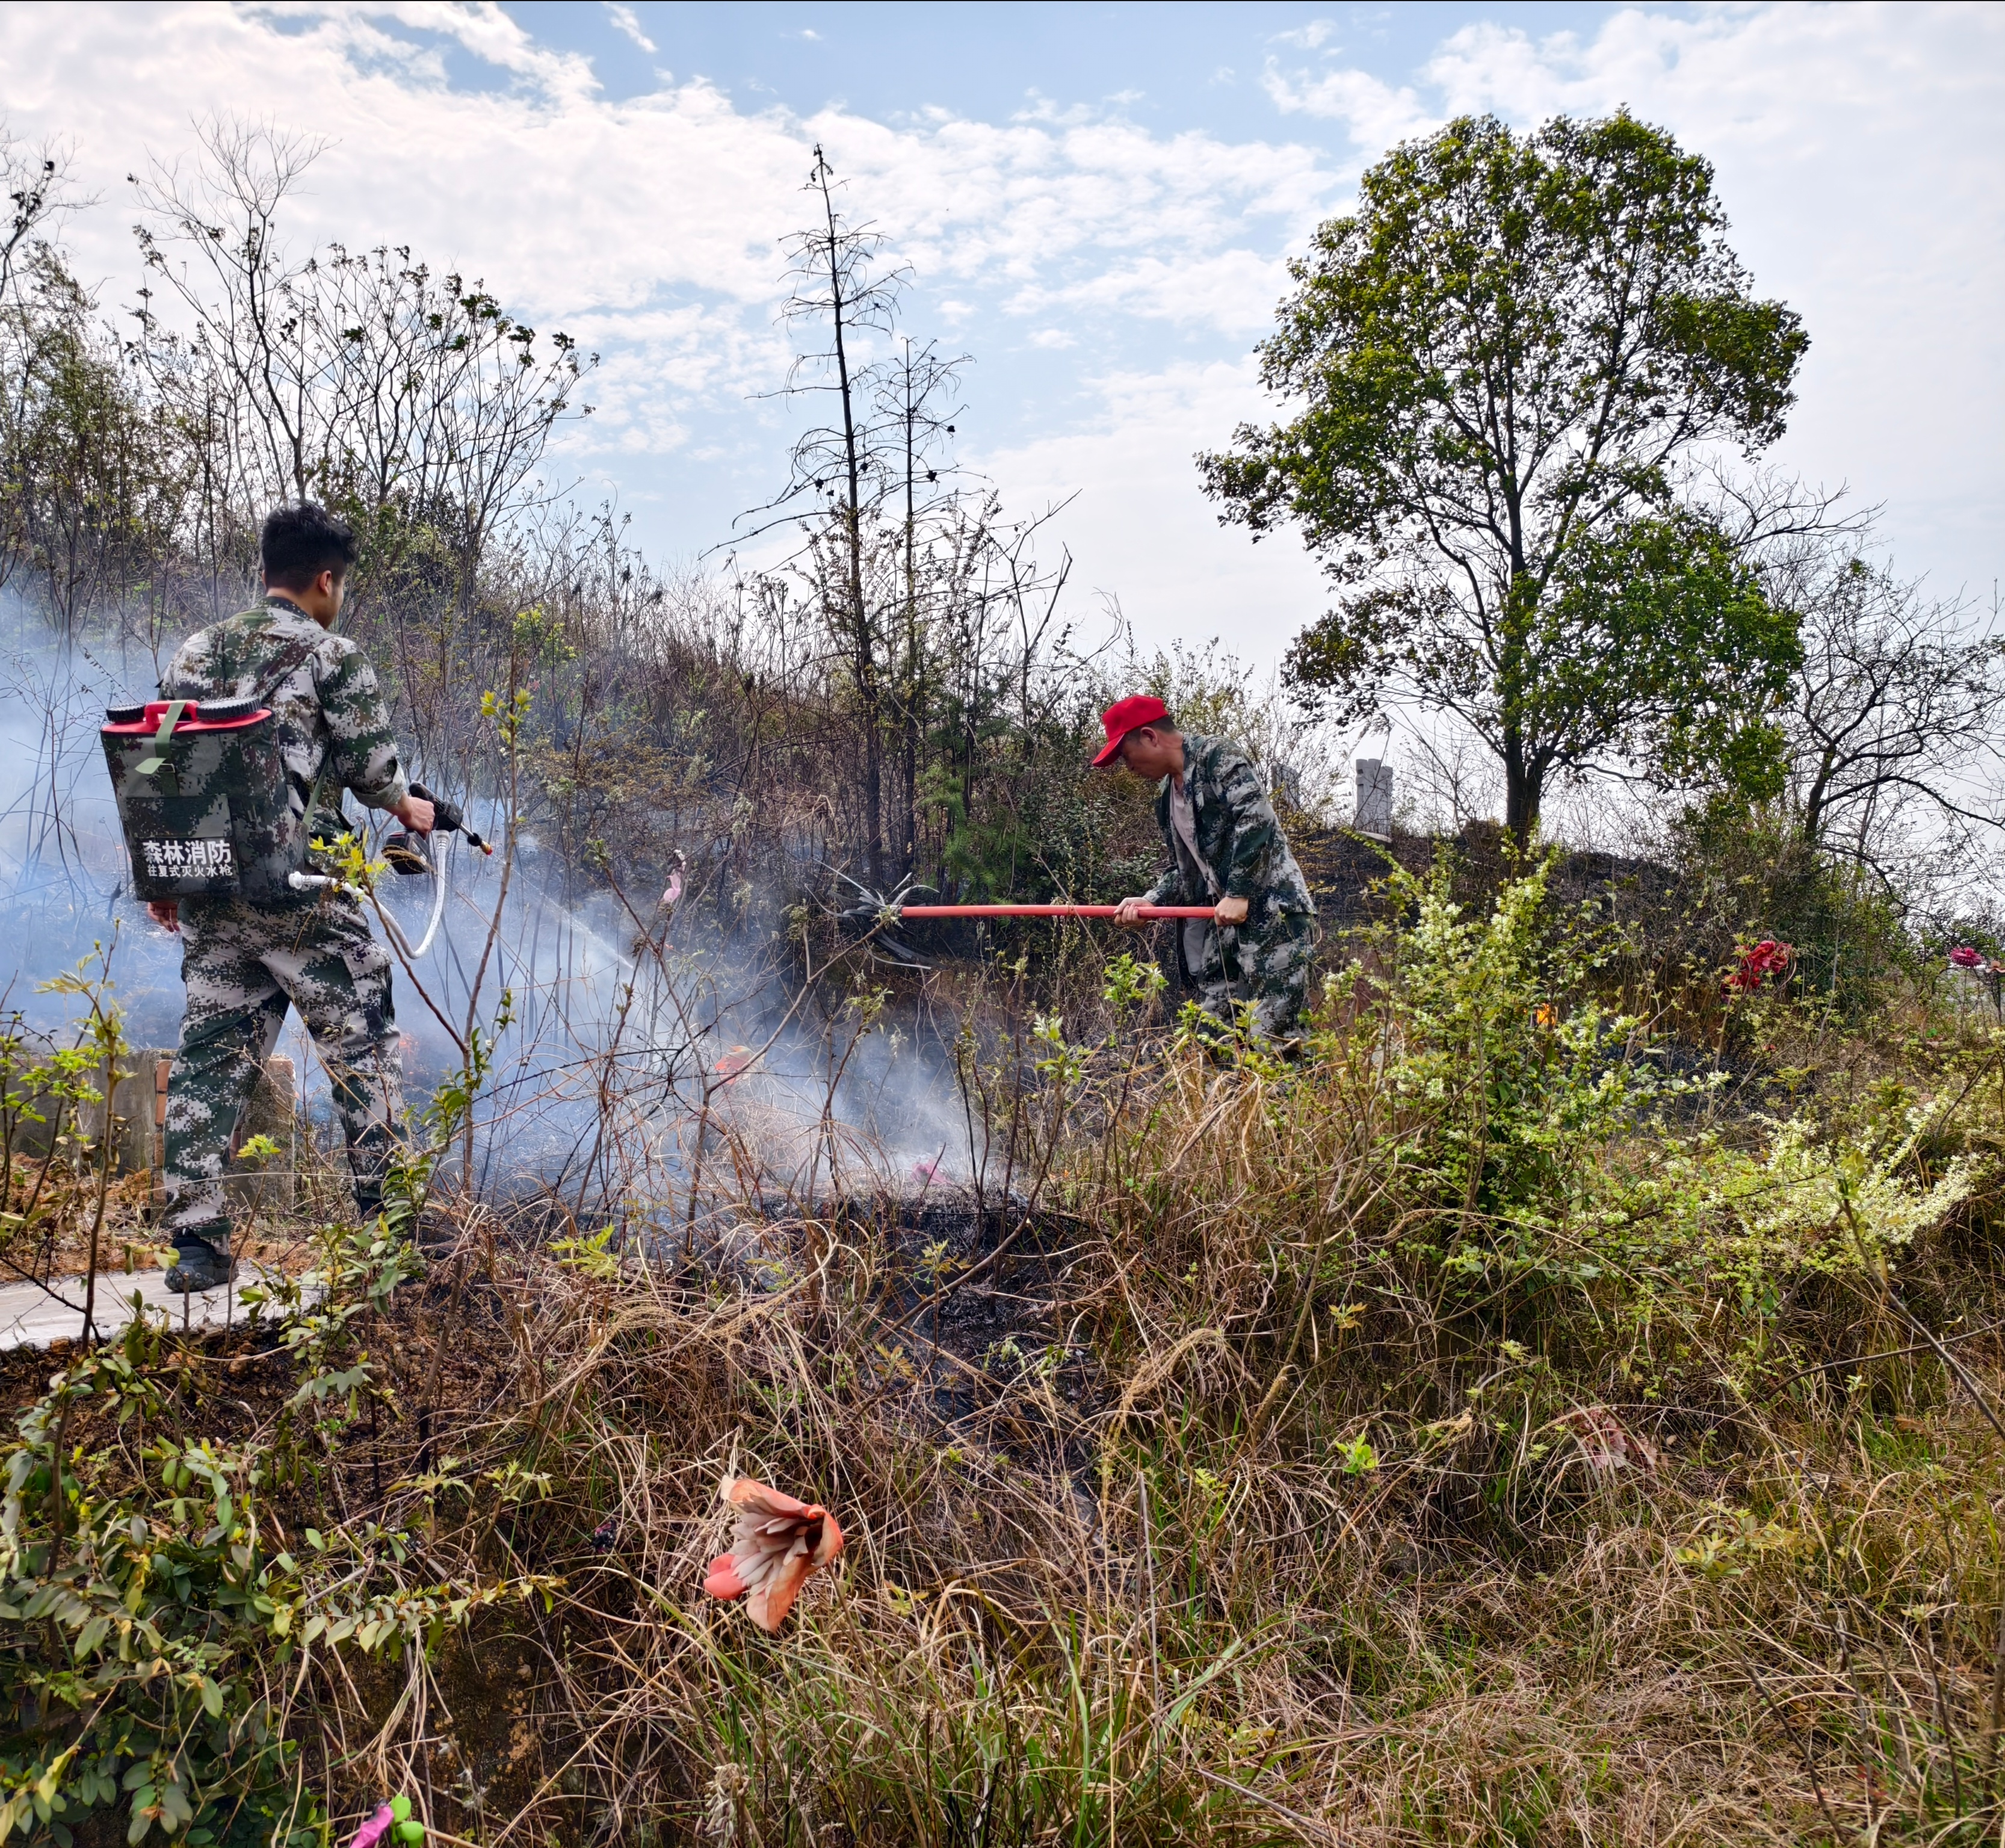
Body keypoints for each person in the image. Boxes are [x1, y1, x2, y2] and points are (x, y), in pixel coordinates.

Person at [146, 503, 434, 1293]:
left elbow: (159, 762)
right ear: (326, 580)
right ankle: (391, 1238)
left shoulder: (196, 651)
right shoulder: (334, 655)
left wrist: (165, 878)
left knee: (211, 1058)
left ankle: (196, 1247)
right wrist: (411, 807)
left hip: (213, 887)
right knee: (362, 1048)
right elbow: (375, 775)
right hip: (305, 893)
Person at [1094, 695, 1317, 1042]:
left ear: (1150, 737)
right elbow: (1185, 869)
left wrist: (1239, 893)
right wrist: (1151, 900)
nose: (1129, 768)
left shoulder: (1216, 755)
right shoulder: (1166, 797)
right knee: (1214, 1033)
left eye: (1126, 755)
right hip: (1223, 921)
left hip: (1273, 914)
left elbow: (1256, 819)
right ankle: (1223, 1080)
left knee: (1276, 1038)